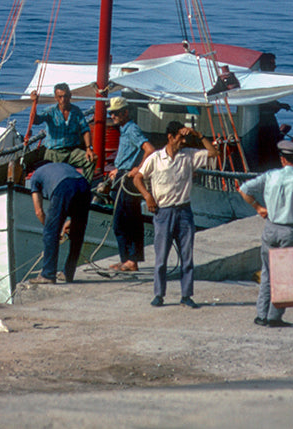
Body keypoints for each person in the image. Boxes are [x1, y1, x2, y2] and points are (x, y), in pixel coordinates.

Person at [132, 121, 218, 308]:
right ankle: (159, 294)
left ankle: (186, 295)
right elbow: (138, 177)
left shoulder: (189, 156)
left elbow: (213, 153)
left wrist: (199, 135)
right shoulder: (155, 158)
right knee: (161, 258)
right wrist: (147, 197)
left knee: (187, 257)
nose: (184, 141)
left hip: (184, 211)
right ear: (170, 137)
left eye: (185, 137)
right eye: (181, 137)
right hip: (163, 212)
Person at [239, 138, 293, 327]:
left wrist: (258, 207)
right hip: (290, 230)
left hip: (270, 227)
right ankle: (274, 317)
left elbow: (244, 190)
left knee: (267, 272)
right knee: (284, 275)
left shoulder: (270, 176)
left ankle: (261, 314)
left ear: (282, 159)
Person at [105, 98, 155, 272]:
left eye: (116, 112)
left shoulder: (132, 129)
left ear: (125, 112)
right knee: (120, 221)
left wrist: (137, 169)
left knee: (130, 219)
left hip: (128, 180)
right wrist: (118, 170)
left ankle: (132, 260)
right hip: (121, 175)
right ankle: (125, 258)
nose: (113, 116)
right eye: (111, 113)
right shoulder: (124, 130)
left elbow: (150, 149)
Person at [29, 160, 91, 283]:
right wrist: (71, 222)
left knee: (49, 232)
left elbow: (39, 212)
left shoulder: (35, 176)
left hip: (63, 186)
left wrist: (54, 231)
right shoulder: (62, 166)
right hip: (84, 185)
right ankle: (68, 273)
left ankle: (48, 275)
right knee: (77, 234)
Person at [31, 82, 96, 181]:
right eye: (60, 97)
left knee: (91, 160)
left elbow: (85, 129)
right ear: (56, 98)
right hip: (54, 153)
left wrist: (88, 148)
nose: (63, 100)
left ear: (70, 96)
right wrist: (34, 103)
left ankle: (85, 188)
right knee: (53, 177)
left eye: (65, 96)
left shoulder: (76, 111)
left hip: (71, 152)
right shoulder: (50, 111)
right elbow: (35, 120)